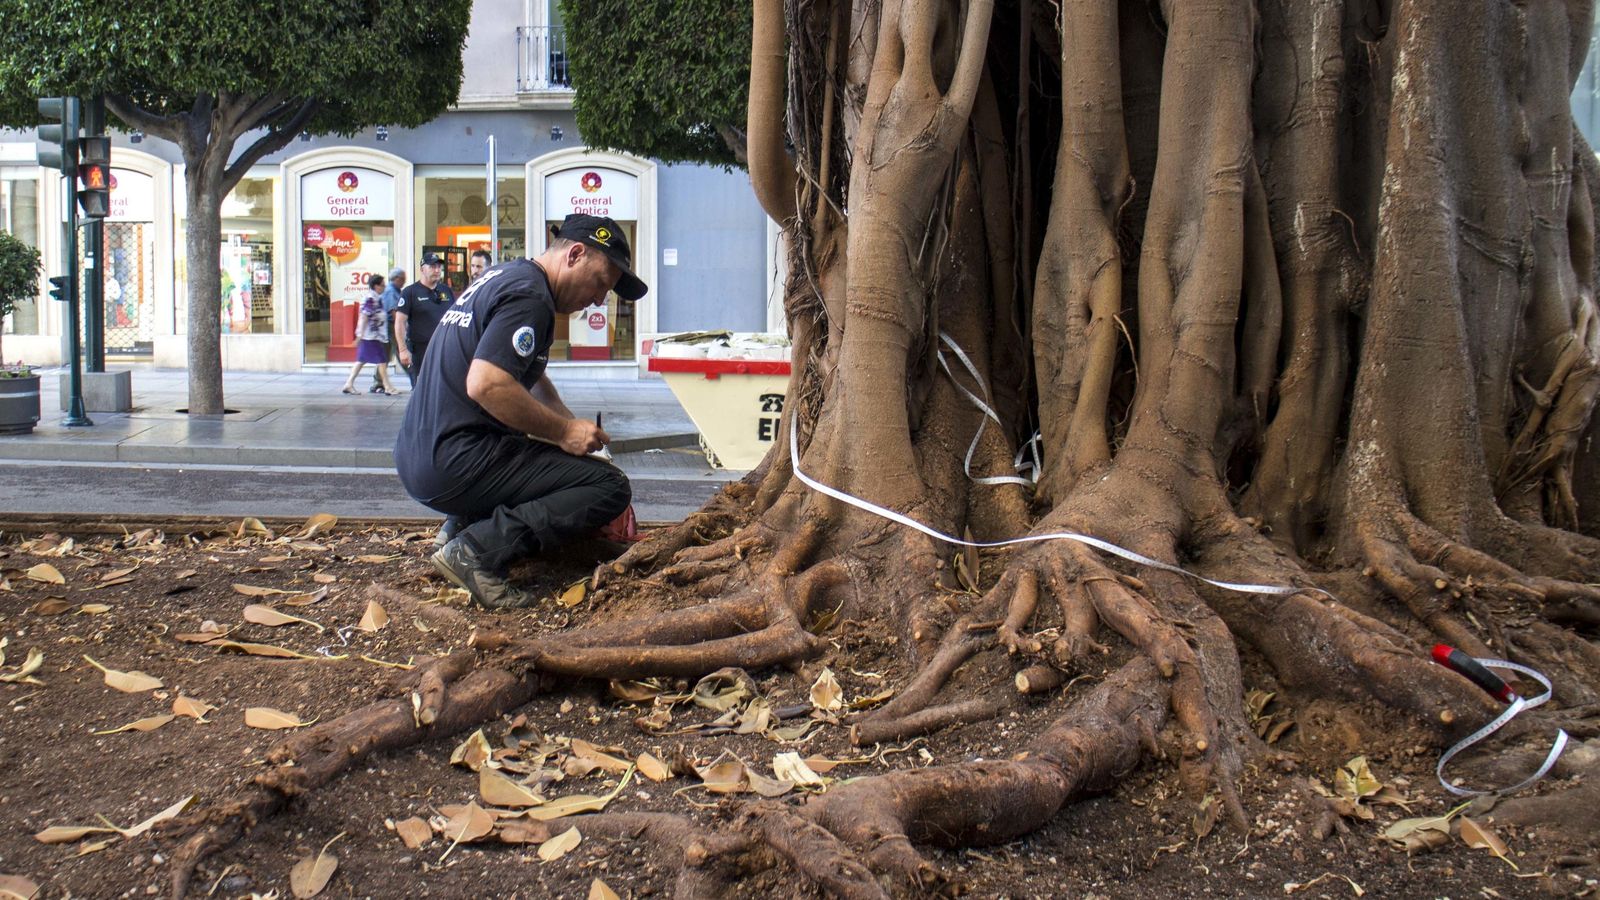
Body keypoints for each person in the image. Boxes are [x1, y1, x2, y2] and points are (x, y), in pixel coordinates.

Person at [394, 214, 648, 609]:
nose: (599, 300)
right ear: (575, 254)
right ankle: (475, 551)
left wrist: (573, 431)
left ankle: (460, 526)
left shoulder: (507, 276)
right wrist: (563, 433)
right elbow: (487, 384)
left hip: (421, 453)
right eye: (601, 283)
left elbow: (531, 375)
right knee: (609, 487)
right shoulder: (532, 297)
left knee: (553, 456)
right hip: (454, 458)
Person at [394, 253, 456, 388]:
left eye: (439, 266)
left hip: (443, 348)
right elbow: (400, 322)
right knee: (421, 388)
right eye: (433, 266)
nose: (437, 270)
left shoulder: (446, 291)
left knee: (443, 388)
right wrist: (403, 349)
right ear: (422, 269)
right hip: (420, 350)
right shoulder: (410, 292)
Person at [341, 274, 397, 395]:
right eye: (382, 285)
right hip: (372, 336)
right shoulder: (371, 299)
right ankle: (387, 386)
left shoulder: (376, 298)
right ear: (376, 286)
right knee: (382, 361)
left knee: (361, 360)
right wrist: (359, 336)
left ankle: (349, 384)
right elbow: (364, 317)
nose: (384, 287)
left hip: (374, 336)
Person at [372, 267, 406, 393]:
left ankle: (378, 382)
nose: (403, 281)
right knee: (397, 351)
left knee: (385, 355)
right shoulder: (391, 291)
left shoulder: (395, 290)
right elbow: (394, 312)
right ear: (396, 278)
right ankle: (378, 382)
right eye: (402, 279)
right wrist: (401, 328)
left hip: (389, 327)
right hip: (390, 327)